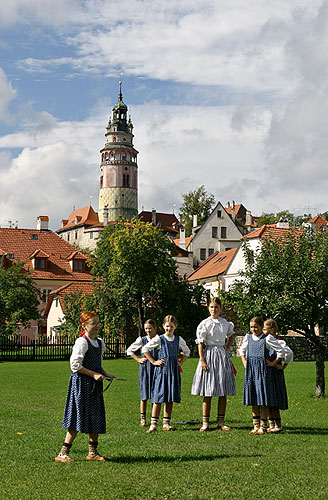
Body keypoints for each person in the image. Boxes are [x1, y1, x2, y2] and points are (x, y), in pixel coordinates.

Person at [55, 311, 116, 462]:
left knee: (96, 416)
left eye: (98, 322)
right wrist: (93, 374)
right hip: (81, 385)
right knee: (77, 416)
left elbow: (98, 365)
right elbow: (75, 366)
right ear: (84, 326)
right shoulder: (82, 342)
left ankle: (93, 452)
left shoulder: (100, 342)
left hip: (95, 386)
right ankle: (63, 453)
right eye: (93, 323)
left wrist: (106, 374)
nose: (97, 326)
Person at [191, 296, 236, 432]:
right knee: (208, 390)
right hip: (209, 354)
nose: (214, 309)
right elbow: (200, 342)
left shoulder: (225, 323)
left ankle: (221, 422)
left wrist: (227, 347)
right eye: (211, 307)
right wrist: (202, 359)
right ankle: (205, 422)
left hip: (222, 355)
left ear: (220, 309)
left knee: (223, 390)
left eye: (216, 307)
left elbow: (231, 335)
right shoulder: (204, 323)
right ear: (208, 308)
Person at [142, 315, 190, 433]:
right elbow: (145, 349)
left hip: (173, 372)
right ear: (163, 326)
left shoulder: (178, 339)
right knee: (158, 397)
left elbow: (187, 351)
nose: (169, 329)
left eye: (171, 326)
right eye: (167, 326)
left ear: (175, 327)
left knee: (170, 397)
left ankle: (166, 423)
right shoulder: (160, 339)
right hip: (162, 372)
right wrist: (153, 361)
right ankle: (153, 424)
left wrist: (180, 363)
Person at [239, 317, 285, 435]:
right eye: (251, 327)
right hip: (251, 372)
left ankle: (263, 426)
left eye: (256, 327)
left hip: (262, 372)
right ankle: (255, 425)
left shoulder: (267, 338)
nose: (253, 329)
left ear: (260, 326)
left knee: (262, 399)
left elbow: (281, 351)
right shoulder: (248, 338)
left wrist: (274, 363)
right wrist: (244, 362)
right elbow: (241, 351)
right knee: (253, 398)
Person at [126, 319, 158, 427]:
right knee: (144, 394)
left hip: (156, 368)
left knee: (155, 394)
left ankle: (154, 418)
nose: (148, 331)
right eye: (146, 329)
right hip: (145, 369)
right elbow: (129, 350)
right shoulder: (142, 339)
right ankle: (143, 419)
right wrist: (138, 359)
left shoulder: (159, 339)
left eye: (150, 328)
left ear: (154, 328)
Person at [263, 318, 293, 433]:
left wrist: (281, 365)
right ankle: (272, 425)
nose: (263, 331)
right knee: (269, 399)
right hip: (269, 373)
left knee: (274, 399)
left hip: (274, 373)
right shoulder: (266, 340)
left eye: (265, 329)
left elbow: (289, 353)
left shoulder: (278, 341)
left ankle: (278, 425)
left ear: (272, 330)